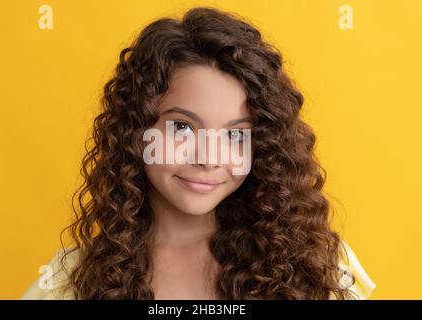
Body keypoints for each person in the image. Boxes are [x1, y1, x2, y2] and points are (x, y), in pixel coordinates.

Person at [21, 6, 376, 300]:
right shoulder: (73, 279)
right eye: (182, 128)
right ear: (137, 132)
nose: (208, 158)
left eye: (236, 134)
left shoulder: (316, 264)